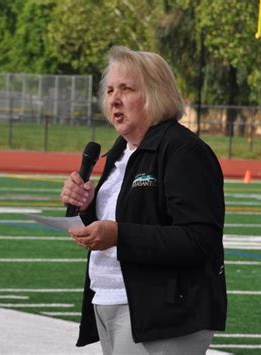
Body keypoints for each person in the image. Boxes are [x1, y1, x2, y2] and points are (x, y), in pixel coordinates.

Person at [60, 46, 227, 354]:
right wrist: (86, 210)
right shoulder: (121, 153)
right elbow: (128, 218)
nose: (114, 99)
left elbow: (199, 239)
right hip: (110, 302)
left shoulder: (183, 152)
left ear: (155, 94)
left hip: (162, 313)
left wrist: (119, 235)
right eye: (110, 90)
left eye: (126, 89)